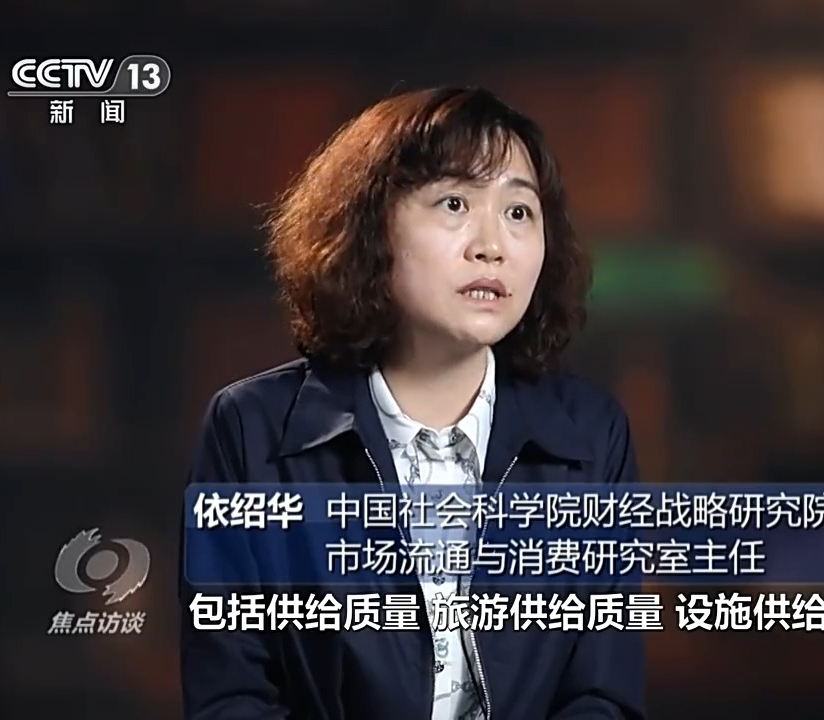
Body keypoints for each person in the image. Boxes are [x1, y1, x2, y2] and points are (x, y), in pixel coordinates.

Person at [179, 86, 646, 720]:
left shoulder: (591, 434)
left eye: (519, 211)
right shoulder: (252, 429)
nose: (492, 245)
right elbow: (232, 697)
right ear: (371, 226)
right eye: (455, 203)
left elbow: (603, 694)